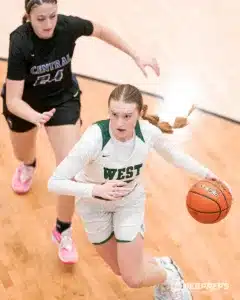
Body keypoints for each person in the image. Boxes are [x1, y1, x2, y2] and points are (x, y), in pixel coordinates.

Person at [1, 0, 160, 264]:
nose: (49, 24)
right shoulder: (19, 42)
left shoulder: (67, 26)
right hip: (25, 106)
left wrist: (135, 55)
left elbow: (101, 31)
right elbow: (13, 101)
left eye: (53, 16)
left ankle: (62, 230)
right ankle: (29, 165)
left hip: (62, 101)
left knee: (71, 172)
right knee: (22, 152)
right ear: (28, 17)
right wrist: (36, 117)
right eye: (41, 19)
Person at [47, 84, 227, 299]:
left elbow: (175, 156)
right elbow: (55, 182)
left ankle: (168, 276)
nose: (119, 123)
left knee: (133, 278)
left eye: (127, 116)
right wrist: (95, 189)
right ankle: (163, 265)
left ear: (140, 114)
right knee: (120, 270)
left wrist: (206, 173)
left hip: (128, 204)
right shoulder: (94, 139)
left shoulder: (148, 133)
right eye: (114, 115)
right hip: (93, 208)